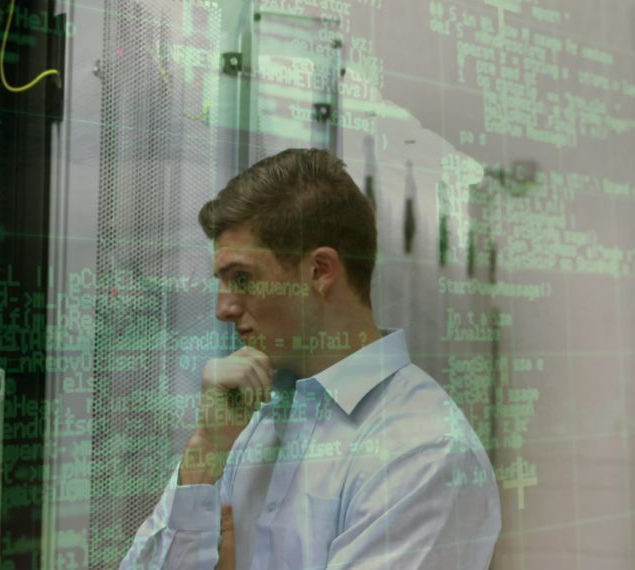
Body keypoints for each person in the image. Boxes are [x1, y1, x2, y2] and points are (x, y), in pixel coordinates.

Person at [121, 149, 500, 569]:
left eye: (242, 278)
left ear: (320, 270)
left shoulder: (425, 451)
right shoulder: (244, 420)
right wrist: (205, 452)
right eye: (222, 282)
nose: (223, 308)